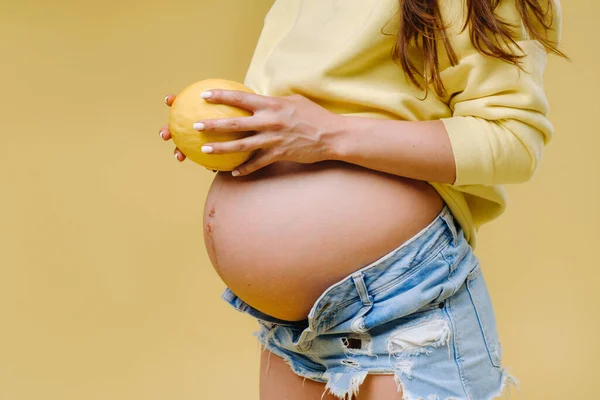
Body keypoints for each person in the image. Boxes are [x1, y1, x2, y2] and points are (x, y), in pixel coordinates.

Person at [158, 0, 565, 398]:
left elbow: (514, 137)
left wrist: (330, 136)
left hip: (401, 310)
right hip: (293, 332)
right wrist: (242, 134)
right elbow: (309, 108)